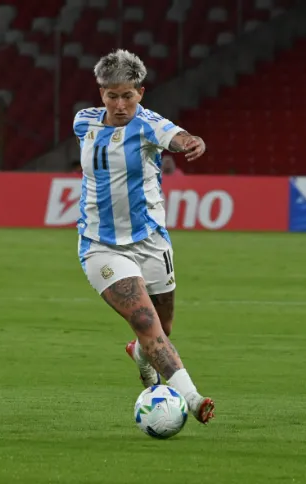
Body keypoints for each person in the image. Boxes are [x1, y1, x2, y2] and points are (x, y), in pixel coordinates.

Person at [73, 49, 215, 424]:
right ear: (100, 92)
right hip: (100, 246)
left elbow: (178, 136)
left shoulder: (149, 125)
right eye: (112, 95)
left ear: (141, 92)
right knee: (146, 322)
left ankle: (139, 353)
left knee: (161, 330)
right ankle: (193, 397)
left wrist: (192, 142)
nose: (120, 104)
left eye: (128, 95)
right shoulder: (82, 123)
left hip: (151, 242)